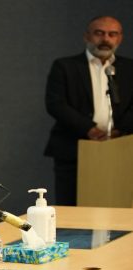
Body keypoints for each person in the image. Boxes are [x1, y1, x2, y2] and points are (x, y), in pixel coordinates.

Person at [45, 15, 133, 206]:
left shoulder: (130, 68)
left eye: (112, 34)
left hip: (121, 148)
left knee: (119, 205)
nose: (105, 39)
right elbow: (55, 103)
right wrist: (89, 129)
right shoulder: (65, 66)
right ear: (87, 36)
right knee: (72, 207)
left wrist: (119, 130)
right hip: (74, 149)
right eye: (99, 33)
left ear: (120, 38)